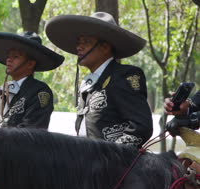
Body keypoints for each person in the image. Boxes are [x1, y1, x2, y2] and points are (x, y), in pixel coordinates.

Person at [45, 12, 153, 148]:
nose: (79, 47)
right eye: (79, 42)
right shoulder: (87, 84)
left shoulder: (125, 75)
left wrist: (108, 154)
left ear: (105, 47)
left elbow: (141, 127)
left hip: (117, 165)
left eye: (87, 42)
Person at [0, 31, 64, 128]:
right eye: (8, 56)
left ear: (30, 64)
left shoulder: (40, 92)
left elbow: (32, 132)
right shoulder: (1, 91)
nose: (9, 59)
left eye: (16, 56)